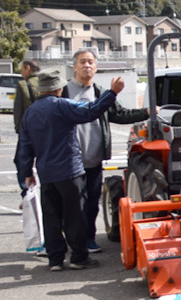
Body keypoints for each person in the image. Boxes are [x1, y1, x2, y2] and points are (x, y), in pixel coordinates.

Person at [17, 68, 125, 271]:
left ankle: (55, 259)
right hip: (69, 170)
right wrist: (112, 93)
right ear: (59, 88)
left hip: (45, 172)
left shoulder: (31, 112)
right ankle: (78, 256)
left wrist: (27, 173)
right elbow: (91, 110)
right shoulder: (61, 106)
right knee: (75, 214)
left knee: (51, 215)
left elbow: (25, 146)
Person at [62, 49, 148, 252]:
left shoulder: (100, 92)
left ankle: (89, 239)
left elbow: (120, 114)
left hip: (94, 157)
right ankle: (72, 242)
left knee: (92, 202)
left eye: (91, 62)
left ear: (96, 67)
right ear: (74, 66)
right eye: (82, 62)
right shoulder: (65, 92)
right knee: (73, 202)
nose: (87, 66)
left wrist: (146, 112)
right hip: (69, 159)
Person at [13, 59, 41, 199]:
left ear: (28, 68)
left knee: (21, 161)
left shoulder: (23, 85)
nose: (21, 72)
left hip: (28, 131)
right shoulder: (46, 83)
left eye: (22, 69)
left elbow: (18, 112)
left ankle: (27, 193)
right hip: (46, 131)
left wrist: (19, 130)